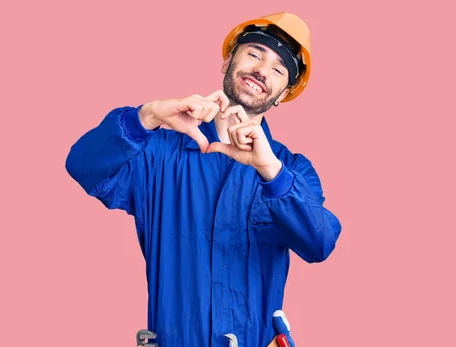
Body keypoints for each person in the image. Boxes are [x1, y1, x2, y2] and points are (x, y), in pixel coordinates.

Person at [65, 12, 342, 347]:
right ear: (227, 63)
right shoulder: (160, 154)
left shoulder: (291, 170)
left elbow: (320, 243)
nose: (262, 70)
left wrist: (271, 172)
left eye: (279, 69)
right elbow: (83, 165)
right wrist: (147, 116)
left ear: (283, 94)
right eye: (255, 53)